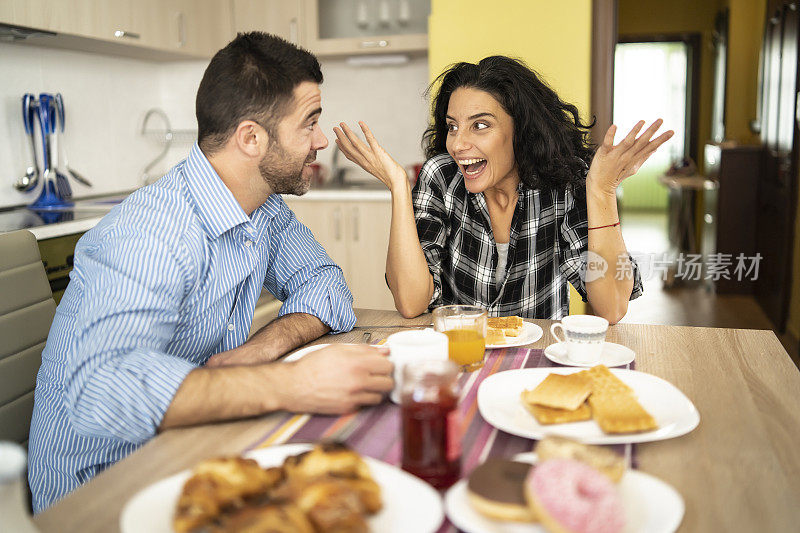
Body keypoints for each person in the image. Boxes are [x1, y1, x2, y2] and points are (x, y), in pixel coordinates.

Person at [27, 32, 393, 512]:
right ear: (251, 138)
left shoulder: (261, 207)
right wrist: (293, 382)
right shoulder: (151, 233)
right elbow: (100, 390)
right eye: (310, 124)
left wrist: (264, 347)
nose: (321, 141)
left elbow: (326, 285)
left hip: (192, 448)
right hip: (101, 487)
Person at [334, 55, 672, 321]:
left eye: (480, 125)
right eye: (453, 127)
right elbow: (410, 303)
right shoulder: (441, 177)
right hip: (460, 359)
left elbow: (612, 307)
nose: (458, 144)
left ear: (521, 130)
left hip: (535, 363)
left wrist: (601, 190)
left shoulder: (563, 183)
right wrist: (397, 185)